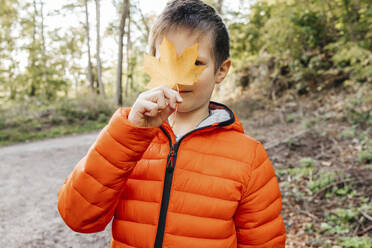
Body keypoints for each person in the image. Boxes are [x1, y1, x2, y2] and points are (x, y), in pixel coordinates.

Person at [57, 0, 286, 247]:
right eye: (168, 62)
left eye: (196, 63)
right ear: (152, 63)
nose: (179, 77)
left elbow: (263, 242)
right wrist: (129, 134)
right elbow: (78, 217)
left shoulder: (249, 157)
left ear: (221, 70)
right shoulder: (129, 139)